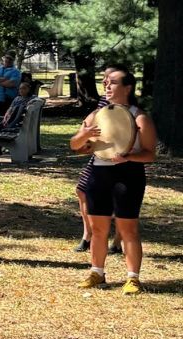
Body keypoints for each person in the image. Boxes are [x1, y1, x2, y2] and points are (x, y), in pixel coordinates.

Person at [70, 69, 156, 295]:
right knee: (98, 229)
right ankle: (97, 272)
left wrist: (127, 157)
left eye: (113, 83)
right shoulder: (95, 116)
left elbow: (149, 154)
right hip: (99, 175)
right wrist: (83, 136)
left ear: (127, 88)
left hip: (128, 176)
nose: (107, 86)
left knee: (128, 230)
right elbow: (75, 146)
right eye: (105, 83)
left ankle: (133, 278)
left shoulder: (139, 117)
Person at [73, 63, 129, 254]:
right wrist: (88, 137)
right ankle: (88, 235)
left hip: (122, 156)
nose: (105, 81)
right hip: (100, 155)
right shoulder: (105, 99)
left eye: (110, 78)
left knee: (121, 199)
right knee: (82, 191)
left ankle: (117, 242)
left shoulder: (126, 102)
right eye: (104, 78)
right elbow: (96, 121)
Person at [0, 81, 34, 157]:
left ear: (29, 89)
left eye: (24, 88)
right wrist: (7, 115)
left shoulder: (31, 99)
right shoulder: (17, 98)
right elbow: (10, 108)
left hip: (20, 121)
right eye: (20, 89)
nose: (21, 90)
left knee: (0, 125)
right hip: (12, 118)